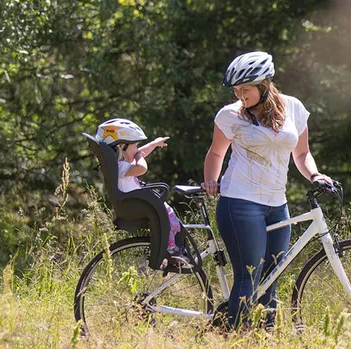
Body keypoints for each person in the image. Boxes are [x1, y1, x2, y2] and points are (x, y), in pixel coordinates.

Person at [201, 51, 334, 329]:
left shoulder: (294, 108)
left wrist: (315, 175)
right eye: (236, 90)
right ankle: (233, 341)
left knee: (273, 275)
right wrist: (212, 181)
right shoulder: (230, 115)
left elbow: (302, 154)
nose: (240, 95)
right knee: (248, 276)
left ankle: (264, 340)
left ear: (264, 85)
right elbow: (216, 154)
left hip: (277, 204)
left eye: (245, 89)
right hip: (239, 201)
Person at [95, 118, 190, 266]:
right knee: (168, 214)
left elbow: (138, 154)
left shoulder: (120, 164)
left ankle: (171, 249)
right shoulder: (121, 167)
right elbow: (142, 168)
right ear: (122, 146)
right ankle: (170, 249)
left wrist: (153, 144)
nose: (138, 150)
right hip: (137, 203)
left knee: (168, 214)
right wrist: (139, 156)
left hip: (136, 201)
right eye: (136, 146)